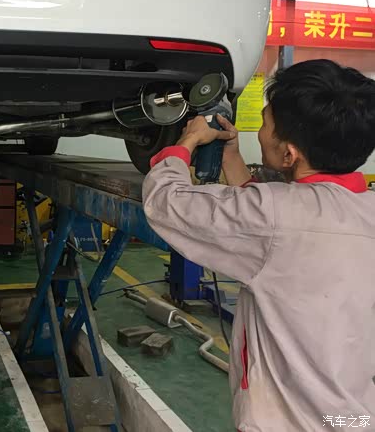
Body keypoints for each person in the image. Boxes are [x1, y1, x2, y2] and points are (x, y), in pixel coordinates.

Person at [142, 60, 375, 431]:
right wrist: (231, 155)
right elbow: (272, 224)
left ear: (289, 154)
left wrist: (185, 142)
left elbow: (167, 203)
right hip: (354, 416)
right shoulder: (364, 209)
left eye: (265, 124)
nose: (261, 132)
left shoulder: (272, 217)